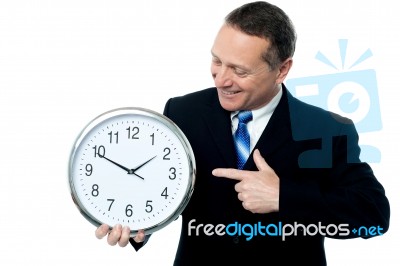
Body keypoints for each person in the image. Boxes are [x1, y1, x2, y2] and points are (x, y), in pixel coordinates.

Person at [95, 1, 390, 265]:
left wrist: (284, 197)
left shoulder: (327, 129)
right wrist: (137, 227)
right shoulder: (182, 112)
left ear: (282, 69)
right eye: (217, 61)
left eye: (240, 70)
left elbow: (374, 218)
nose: (221, 79)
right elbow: (158, 193)